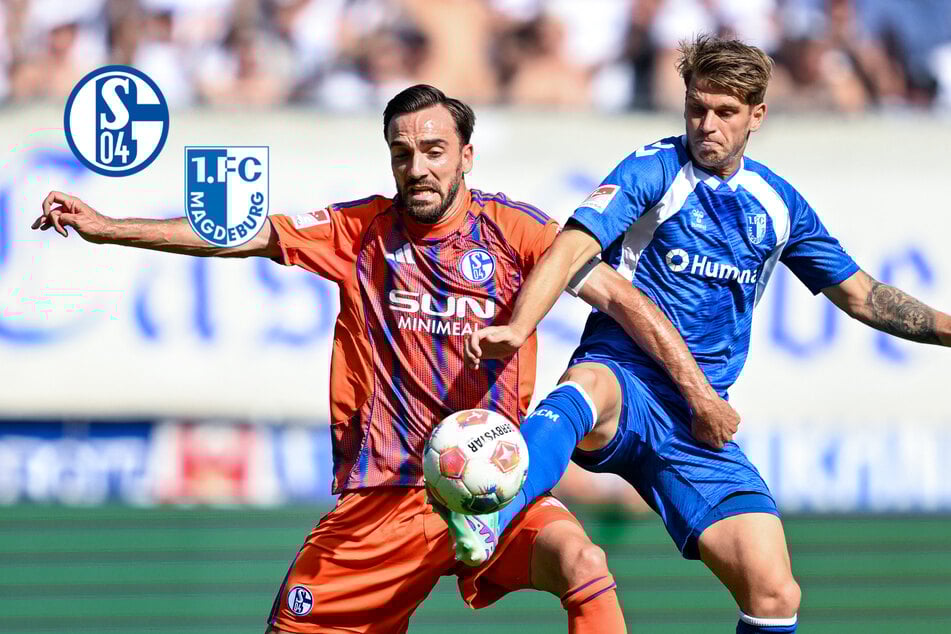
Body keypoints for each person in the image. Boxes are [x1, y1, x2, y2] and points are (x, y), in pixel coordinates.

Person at [31, 84, 729, 633]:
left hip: (489, 493)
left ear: (465, 156)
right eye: (402, 152)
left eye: (433, 149)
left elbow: (622, 299)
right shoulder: (360, 231)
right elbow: (238, 234)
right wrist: (108, 227)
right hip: (384, 498)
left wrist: (695, 393)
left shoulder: (515, 232)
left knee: (582, 561)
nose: (417, 166)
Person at [463, 35, 951, 634]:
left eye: (725, 112)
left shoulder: (778, 205)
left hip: (699, 420)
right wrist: (518, 325)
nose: (707, 125)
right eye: (697, 108)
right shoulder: (653, 169)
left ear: (757, 116)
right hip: (628, 376)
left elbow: (862, 295)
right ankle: (488, 516)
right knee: (589, 385)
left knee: (774, 591)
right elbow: (572, 248)